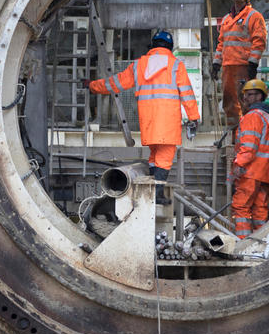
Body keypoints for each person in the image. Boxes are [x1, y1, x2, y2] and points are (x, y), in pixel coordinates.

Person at [84, 30, 199, 204]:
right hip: (168, 121)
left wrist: (93, 86)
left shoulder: (139, 65)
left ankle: (153, 190)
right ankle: (157, 195)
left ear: (152, 45)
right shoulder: (176, 65)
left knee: (154, 155)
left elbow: (115, 83)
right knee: (165, 156)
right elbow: (187, 94)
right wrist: (194, 117)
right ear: (170, 47)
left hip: (148, 121)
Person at [211, 0, 267, 129]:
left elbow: (259, 40)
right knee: (229, 102)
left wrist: (253, 63)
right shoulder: (227, 19)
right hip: (228, 67)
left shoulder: (254, 16)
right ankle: (234, 135)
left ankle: (249, 131)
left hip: (243, 66)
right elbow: (221, 43)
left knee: (247, 100)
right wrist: (216, 63)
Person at [228, 79, 269, 238]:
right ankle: (259, 244)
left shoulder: (252, 117)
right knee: (260, 210)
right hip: (265, 173)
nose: (247, 98)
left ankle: (243, 244)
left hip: (250, 172)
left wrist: (237, 166)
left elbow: (249, 148)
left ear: (260, 96)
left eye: (250, 95)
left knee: (241, 207)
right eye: (247, 95)